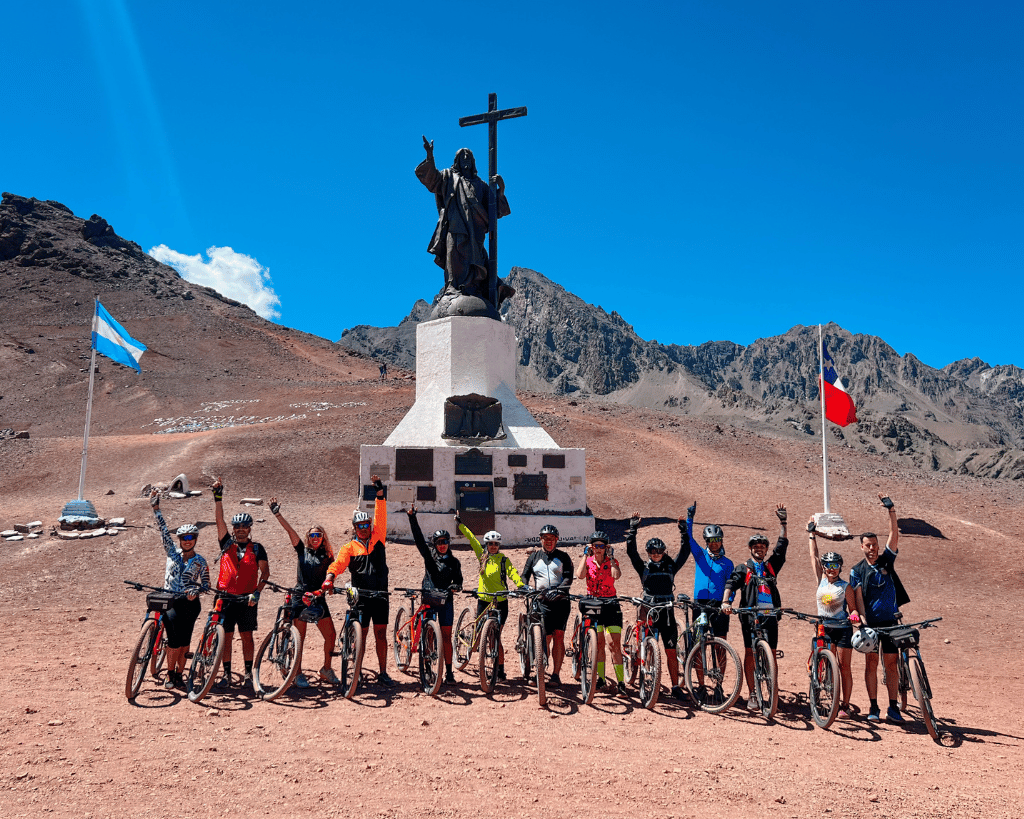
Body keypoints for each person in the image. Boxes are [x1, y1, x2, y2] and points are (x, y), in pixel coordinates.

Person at [416, 137, 512, 309]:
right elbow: (433, 179)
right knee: (453, 254)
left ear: (473, 161)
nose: (465, 159)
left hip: (475, 232)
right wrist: (430, 155)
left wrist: (501, 190)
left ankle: (472, 289)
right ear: (457, 160)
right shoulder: (449, 178)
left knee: (474, 260)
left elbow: (494, 211)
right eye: (462, 156)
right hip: (454, 226)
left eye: (468, 156)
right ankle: (453, 289)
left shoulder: (481, 186)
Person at [322, 475, 393, 686]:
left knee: (380, 634)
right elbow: (338, 565)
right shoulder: (349, 548)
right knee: (360, 634)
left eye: (366, 524)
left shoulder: (378, 537)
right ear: (354, 527)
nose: (364, 527)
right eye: (359, 525)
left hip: (380, 595)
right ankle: (357, 672)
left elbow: (381, 517)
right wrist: (329, 577)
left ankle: (383, 672)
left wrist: (379, 494)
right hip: (360, 597)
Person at [722, 504, 788, 710]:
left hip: (770, 616)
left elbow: (782, 547)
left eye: (762, 547)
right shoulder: (743, 568)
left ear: (766, 550)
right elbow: (731, 584)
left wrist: (783, 523)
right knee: (750, 652)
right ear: (751, 549)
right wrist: (726, 602)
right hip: (750, 616)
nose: (759, 549)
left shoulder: (770, 566)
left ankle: (773, 692)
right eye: (756, 547)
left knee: (773, 651)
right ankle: (752, 694)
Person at [849, 494, 908, 724]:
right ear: (862, 546)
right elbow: (854, 598)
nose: (872, 548)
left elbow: (894, 536)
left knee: (891, 664)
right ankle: (873, 706)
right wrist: (857, 620)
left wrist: (891, 510)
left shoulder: (886, 561)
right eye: (868, 545)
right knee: (871, 664)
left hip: (891, 622)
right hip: (870, 625)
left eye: (875, 544)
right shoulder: (857, 570)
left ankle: (893, 707)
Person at [268, 497, 339, 688]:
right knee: (299, 637)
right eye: (312, 536)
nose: (315, 538)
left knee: (330, 636)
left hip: (317, 597)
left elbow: (331, 574)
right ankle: (297, 672)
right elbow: (290, 531)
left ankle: (326, 668)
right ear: (308, 538)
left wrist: (330, 587)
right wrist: (277, 514)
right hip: (300, 596)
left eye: (319, 535)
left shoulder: (328, 555)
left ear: (323, 538)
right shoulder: (302, 550)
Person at [211, 479, 270, 690]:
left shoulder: (257, 549)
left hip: (247, 599)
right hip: (225, 598)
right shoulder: (226, 543)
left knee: (247, 636)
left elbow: (266, 572)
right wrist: (218, 498)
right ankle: (226, 674)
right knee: (226, 637)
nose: (241, 530)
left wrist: (257, 592)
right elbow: (219, 521)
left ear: (250, 528)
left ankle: (247, 673)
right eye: (237, 526)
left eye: (245, 526)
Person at [150, 489, 210, 691]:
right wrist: (156, 509)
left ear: (195, 539)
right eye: (184, 537)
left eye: (191, 537)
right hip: (171, 600)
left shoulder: (200, 561)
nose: (187, 540)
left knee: (185, 640)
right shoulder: (172, 553)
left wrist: (196, 590)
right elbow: (164, 532)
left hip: (190, 604)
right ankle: (169, 673)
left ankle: (179, 674)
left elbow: (206, 584)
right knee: (173, 640)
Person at [625, 511, 689, 700]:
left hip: (667, 612)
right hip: (648, 610)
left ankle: (675, 686)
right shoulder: (643, 567)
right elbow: (631, 552)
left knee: (670, 650)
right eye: (653, 552)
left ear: (663, 552)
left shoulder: (671, 566)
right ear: (648, 553)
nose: (656, 555)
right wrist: (633, 528)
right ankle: (646, 676)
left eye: (659, 552)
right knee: (647, 645)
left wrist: (684, 531)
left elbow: (685, 552)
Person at [456, 515, 525, 681]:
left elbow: (513, 573)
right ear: (486, 545)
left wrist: (520, 584)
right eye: (490, 544)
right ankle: (469, 641)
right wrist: (460, 525)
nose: (493, 546)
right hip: (484, 599)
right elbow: (472, 539)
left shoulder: (503, 560)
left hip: (501, 601)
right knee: (479, 635)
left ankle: (500, 670)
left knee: (496, 637)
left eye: (496, 544)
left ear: (499, 545)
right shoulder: (482, 556)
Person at [681, 502, 734, 697]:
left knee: (720, 645)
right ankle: (701, 685)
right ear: (706, 541)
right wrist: (690, 518)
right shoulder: (700, 555)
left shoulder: (728, 563)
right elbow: (688, 538)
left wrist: (729, 601)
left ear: (721, 540)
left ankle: (719, 686)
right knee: (699, 642)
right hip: (700, 604)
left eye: (717, 539)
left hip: (720, 605)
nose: (714, 543)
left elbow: (732, 585)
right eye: (711, 540)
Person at [406, 505, 463, 685]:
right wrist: (412, 518)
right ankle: (428, 667)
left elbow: (459, 581)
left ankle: (448, 672)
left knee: (446, 636)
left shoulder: (454, 562)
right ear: (435, 544)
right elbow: (419, 541)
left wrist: (456, 586)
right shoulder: (429, 558)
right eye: (439, 542)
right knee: (429, 635)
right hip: (430, 599)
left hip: (446, 600)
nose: (442, 545)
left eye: (445, 541)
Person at [807, 516, 857, 717]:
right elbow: (814, 557)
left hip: (842, 629)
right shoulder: (821, 581)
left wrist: (854, 617)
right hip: (823, 627)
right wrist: (812, 534)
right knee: (825, 663)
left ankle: (844, 704)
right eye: (827, 565)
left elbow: (852, 609)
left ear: (840, 567)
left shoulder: (846, 586)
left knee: (844, 667)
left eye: (835, 565)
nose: (830, 569)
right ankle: (824, 695)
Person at [521, 525, 574, 686]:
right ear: (540, 539)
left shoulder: (563, 557)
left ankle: (556, 675)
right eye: (545, 538)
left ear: (557, 539)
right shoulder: (534, 557)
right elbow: (524, 575)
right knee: (544, 638)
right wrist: (526, 587)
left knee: (558, 636)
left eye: (552, 538)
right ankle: (540, 670)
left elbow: (568, 578)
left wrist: (558, 590)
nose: (548, 541)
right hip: (541, 601)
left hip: (561, 602)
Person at [575, 531, 627, 696]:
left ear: (606, 548)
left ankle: (620, 682)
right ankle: (601, 679)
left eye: (601, 546)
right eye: (595, 546)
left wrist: (611, 559)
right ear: (591, 547)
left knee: (614, 645)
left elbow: (616, 575)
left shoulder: (612, 562)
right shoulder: (589, 561)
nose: (598, 549)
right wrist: (585, 555)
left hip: (610, 604)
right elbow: (580, 575)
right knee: (598, 644)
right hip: (593, 604)